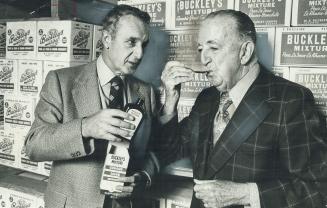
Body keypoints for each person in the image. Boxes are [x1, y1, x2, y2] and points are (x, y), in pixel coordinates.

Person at [159, 10, 327, 208]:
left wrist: (245, 194)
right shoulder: (206, 98)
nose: (203, 59)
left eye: (213, 48)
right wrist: (170, 101)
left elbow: (318, 188)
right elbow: (170, 152)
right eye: (200, 49)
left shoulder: (289, 100)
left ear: (245, 52)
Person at [25, 5, 160, 208]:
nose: (139, 54)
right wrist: (85, 127)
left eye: (144, 44)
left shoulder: (146, 92)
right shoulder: (61, 81)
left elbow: (154, 149)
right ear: (107, 39)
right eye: (131, 42)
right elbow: (34, 146)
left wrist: (142, 176)